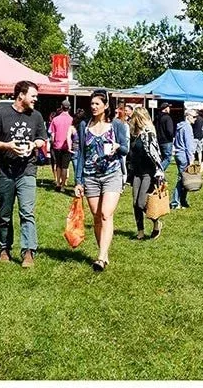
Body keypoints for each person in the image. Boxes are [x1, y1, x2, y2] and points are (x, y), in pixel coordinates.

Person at [0, 82, 49, 267]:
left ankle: (28, 251)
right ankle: (4, 248)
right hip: (5, 171)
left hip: (27, 170)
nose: (36, 99)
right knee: (5, 212)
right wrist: (7, 145)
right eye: (33, 95)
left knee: (27, 212)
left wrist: (33, 145)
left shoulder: (36, 116)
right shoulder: (1, 114)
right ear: (21, 95)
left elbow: (41, 138)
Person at [72, 89, 129, 271]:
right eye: (92, 104)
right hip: (90, 177)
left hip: (112, 174)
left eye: (97, 104)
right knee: (97, 217)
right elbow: (81, 153)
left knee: (106, 214)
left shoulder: (116, 125)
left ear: (106, 106)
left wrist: (117, 147)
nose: (93, 107)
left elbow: (126, 149)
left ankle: (101, 257)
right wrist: (78, 181)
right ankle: (103, 252)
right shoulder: (84, 126)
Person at [129, 106, 166, 240]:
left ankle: (156, 222)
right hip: (136, 173)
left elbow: (156, 155)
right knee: (135, 203)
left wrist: (159, 172)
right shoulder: (134, 134)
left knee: (141, 202)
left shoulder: (149, 134)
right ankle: (140, 231)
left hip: (148, 173)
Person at [170, 107, 198, 210]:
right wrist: (191, 158)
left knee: (184, 179)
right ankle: (175, 202)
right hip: (184, 155)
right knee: (183, 179)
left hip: (178, 154)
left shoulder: (180, 126)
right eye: (194, 117)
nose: (195, 119)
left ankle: (182, 201)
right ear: (188, 116)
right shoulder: (187, 127)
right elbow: (189, 144)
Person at [48, 100, 75, 192]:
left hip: (57, 145)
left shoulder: (55, 119)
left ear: (61, 107)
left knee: (58, 165)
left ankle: (58, 183)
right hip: (67, 146)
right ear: (69, 108)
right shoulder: (72, 120)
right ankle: (63, 186)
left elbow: (52, 134)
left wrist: (52, 142)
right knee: (65, 167)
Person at [156, 102, 175, 173]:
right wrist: (172, 137)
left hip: (159, 140)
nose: (170, 109)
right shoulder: (167, 118)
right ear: (166, 109)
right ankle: (159, 171)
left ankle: (160, 175)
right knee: (168, 158)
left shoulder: (157, 117)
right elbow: (169, 130)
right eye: (169, 107)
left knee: (162, 158)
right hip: (167, 141)